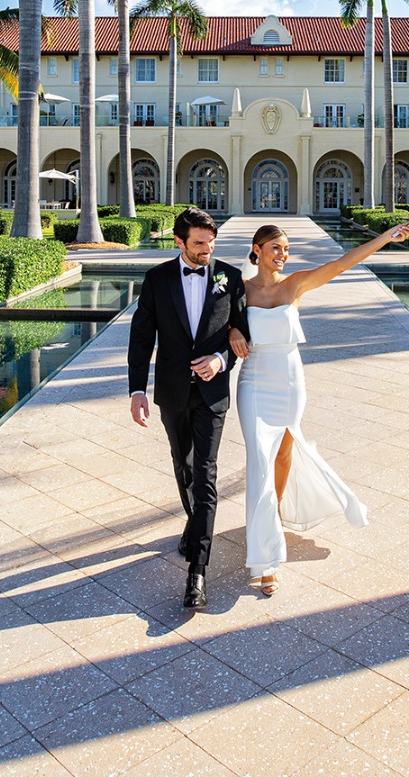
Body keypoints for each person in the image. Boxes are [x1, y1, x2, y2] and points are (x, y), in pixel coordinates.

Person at [228, 220, 409, 596]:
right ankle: (266, 560)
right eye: (276, 248)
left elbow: (345, 262)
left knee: (284, 454)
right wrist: (233, 330)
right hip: (253, 380)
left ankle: (274, 513)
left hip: (289, 378)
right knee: (259, 461)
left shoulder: (295, 284)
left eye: (286, 248)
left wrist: (386, 237)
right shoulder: (240, 289)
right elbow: (218, 318)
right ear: (258, 249)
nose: (282, 254)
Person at [127, 206, 248, 611]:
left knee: (206, 472)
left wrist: (222, 360)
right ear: (179, 241)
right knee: (183, 465)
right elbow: (142, 338)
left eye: (211, 242)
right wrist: (136, 390)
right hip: (172, 392)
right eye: (198, 243)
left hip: (213, 396)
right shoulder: (157, 279)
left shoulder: (229, 278)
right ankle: (195, 524)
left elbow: (243, 331)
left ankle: (197, 571)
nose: (206, 250)